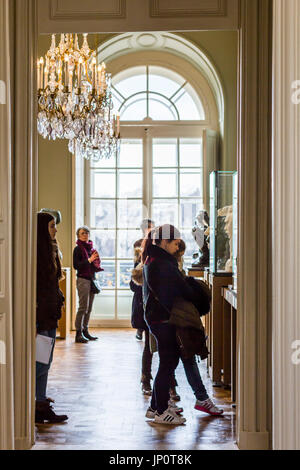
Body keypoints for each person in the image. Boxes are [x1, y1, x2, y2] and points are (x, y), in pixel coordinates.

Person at [142, 224, 196, 425]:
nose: (177, 247)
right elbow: (170, 293)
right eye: (175, 244)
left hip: (158, 317)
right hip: (162, 318)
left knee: (168, 362)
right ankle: (160, 410)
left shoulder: (155, 258)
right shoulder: (161, 262)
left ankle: (156, 406)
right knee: (167, 362)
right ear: (164, 242)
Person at [174, 241, 224, 416]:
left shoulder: (168, 264)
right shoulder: (162, 265)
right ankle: (161, 403)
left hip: (178, 319)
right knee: (176, 361)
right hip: (174, 320)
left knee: (182, 361)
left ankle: (164, 401)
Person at [35, 212, 68, 424]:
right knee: (41, 362)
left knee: (45, 360)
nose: (55, 229)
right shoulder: (38, 254)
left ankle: (40, 402)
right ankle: (34, 402)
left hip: (50, 312)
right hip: (42, 315)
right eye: (51, 226)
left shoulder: (50, 250)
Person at [73, 226, 103, 343]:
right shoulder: (77, 249)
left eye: (86, 233)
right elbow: (76, 266)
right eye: (82, 233)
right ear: (78, 236)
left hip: (91, 279)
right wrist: (90, 260)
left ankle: (85, 331)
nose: (85, 235)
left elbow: (93, 265)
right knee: (83, 308)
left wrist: (96, 261)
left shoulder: (91, 249)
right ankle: (78, 333)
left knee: (89, 308)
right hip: (83, 280)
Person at [133, 219, 155, 341]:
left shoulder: (156, 242)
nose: (150, 230)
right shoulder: (138, 243)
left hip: (151, 272)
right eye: (148, 227)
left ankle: (148, 329)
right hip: (141, 272)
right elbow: (136, 261)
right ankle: (140, 329)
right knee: (140, 303)